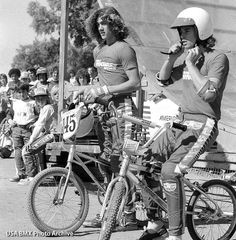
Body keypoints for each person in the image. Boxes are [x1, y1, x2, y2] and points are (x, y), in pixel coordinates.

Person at [140, 7, 229, 240]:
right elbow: (162, 80)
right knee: (144, 159)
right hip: (181, 122)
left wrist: (190, 65)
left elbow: (209, 93)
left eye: (187, 30)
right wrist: (171, 58)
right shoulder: (189, 56)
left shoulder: (217, 58)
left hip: (204, 124)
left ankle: (175, 235)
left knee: (171, 171)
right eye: (180, 31)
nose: (182, 35)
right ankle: (156, 220)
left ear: (201, 31)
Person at [79, 6, 141, 230]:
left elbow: (134, 83)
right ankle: (107, 213)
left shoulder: (124, 49)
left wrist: (104, 90)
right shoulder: (98, 50)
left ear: (115, 23)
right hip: (104, 111)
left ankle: (129, 215)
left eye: (104, 23)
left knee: (124, 162)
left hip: (123, 110)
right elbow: (100, 82)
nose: (100, 28)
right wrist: (88, 90)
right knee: (107, 163)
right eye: (97, 24)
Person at [21, 87, 58, 185]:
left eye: (42, 97)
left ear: (46, 98)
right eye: (37, 98)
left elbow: (41, 125)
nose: (40, 100)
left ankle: (32, 177)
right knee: (33, 151)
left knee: (26, 150)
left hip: (53, 135)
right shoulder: (45, 108)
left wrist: (31, 140)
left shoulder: (47, 108)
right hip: (51, 134)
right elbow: (40, 122)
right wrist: (35, 124)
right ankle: (37, 177)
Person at [8, 83, 38, 183]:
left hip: (27, 129)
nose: (21, 94)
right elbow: (9, 114)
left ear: (27, 91)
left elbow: (38, 115)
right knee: (17, 152)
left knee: (28, 151)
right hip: (17, 129)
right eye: (19, 92)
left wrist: (34, 123)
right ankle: (20, 174)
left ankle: (31, 175)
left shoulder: (33, 102)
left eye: (23, 92)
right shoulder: (15, 102)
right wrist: (10, 121)